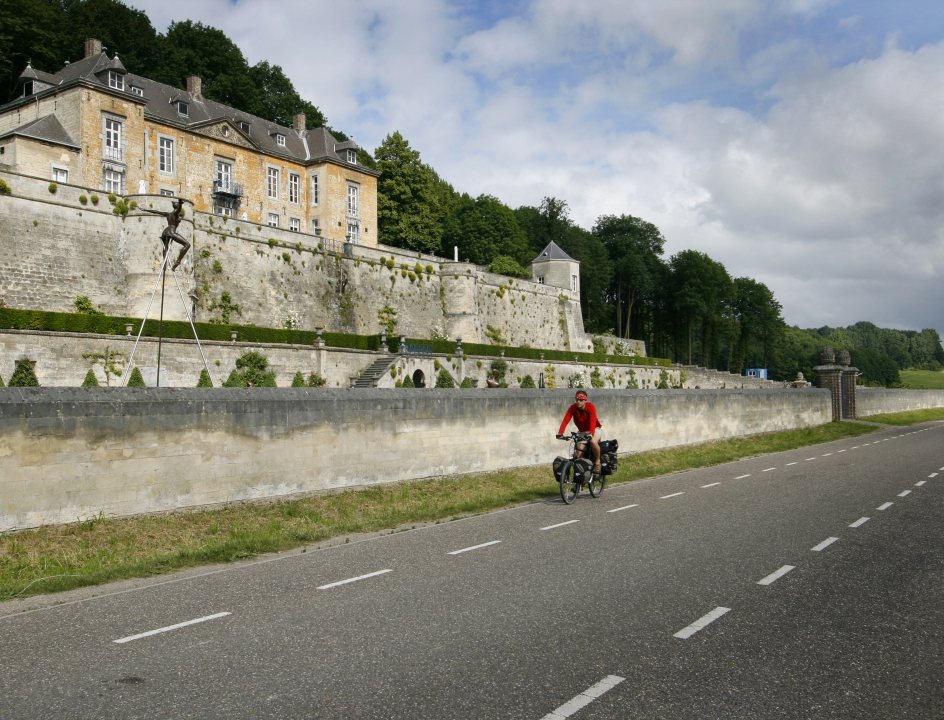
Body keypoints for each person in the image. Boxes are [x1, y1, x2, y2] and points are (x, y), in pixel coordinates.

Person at [557, 390, 603, 473]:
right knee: (578, 455)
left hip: (595, 429)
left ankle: (597, 461)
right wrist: (560, 433)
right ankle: (581, 478)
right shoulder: (573, 408)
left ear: (585, 400)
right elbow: (565, 420)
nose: (578, 402)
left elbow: (593, 421)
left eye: (581, 400)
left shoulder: (590, 407)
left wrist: (591, 433)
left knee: (593, 442)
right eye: (577, 400)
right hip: (582, 431)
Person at [140, 198, 191, 270]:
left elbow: (156, 212)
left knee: (165, 248)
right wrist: (180, 203)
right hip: (171, 232)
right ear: (176, 207)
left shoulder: (168, 214)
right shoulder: (175, 213)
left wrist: (145, 210)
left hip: (165, 232)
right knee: (187, 244)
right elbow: (179, 209)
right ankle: (178, 261)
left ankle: (165, 263)